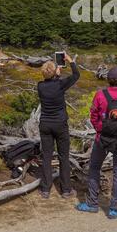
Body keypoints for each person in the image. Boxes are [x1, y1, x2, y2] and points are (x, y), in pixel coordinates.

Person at [76, 67, 117, 219]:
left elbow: (93, 115)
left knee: (95, 167)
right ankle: (114, 209)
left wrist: (99, 129)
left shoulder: (100, 95)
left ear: (107, 79)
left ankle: (92, 204)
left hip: (102, 138)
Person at [38, 53, 80, 199]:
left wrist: (55, 71)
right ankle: (66, 190)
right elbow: (76, 75)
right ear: (55, 72)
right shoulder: (60, 84)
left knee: (47, 157)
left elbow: (51, 81)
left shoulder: (40, 86)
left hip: (45, 125)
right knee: (63, 156)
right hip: (60, 125)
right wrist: (70, 61)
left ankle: (45, 189)